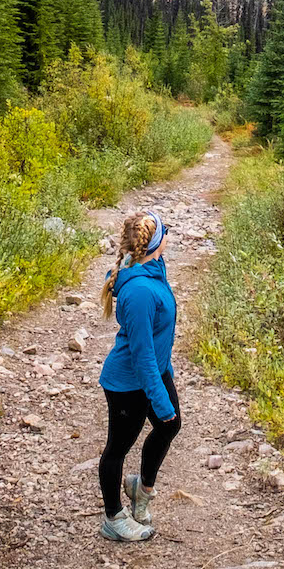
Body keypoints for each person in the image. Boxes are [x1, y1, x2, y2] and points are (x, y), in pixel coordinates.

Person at [96, 210, 179, 542]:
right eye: (166, 231)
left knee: (170, 425)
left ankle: (140, 489)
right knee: (117, 448)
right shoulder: (142, 290)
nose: (170, 235)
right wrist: (158, 398)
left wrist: (164, 377)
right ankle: (114, 517)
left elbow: (158, 339)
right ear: (156, 243)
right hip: (129, 383)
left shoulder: (153, 272)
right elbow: (141, 353)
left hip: (153, 372)